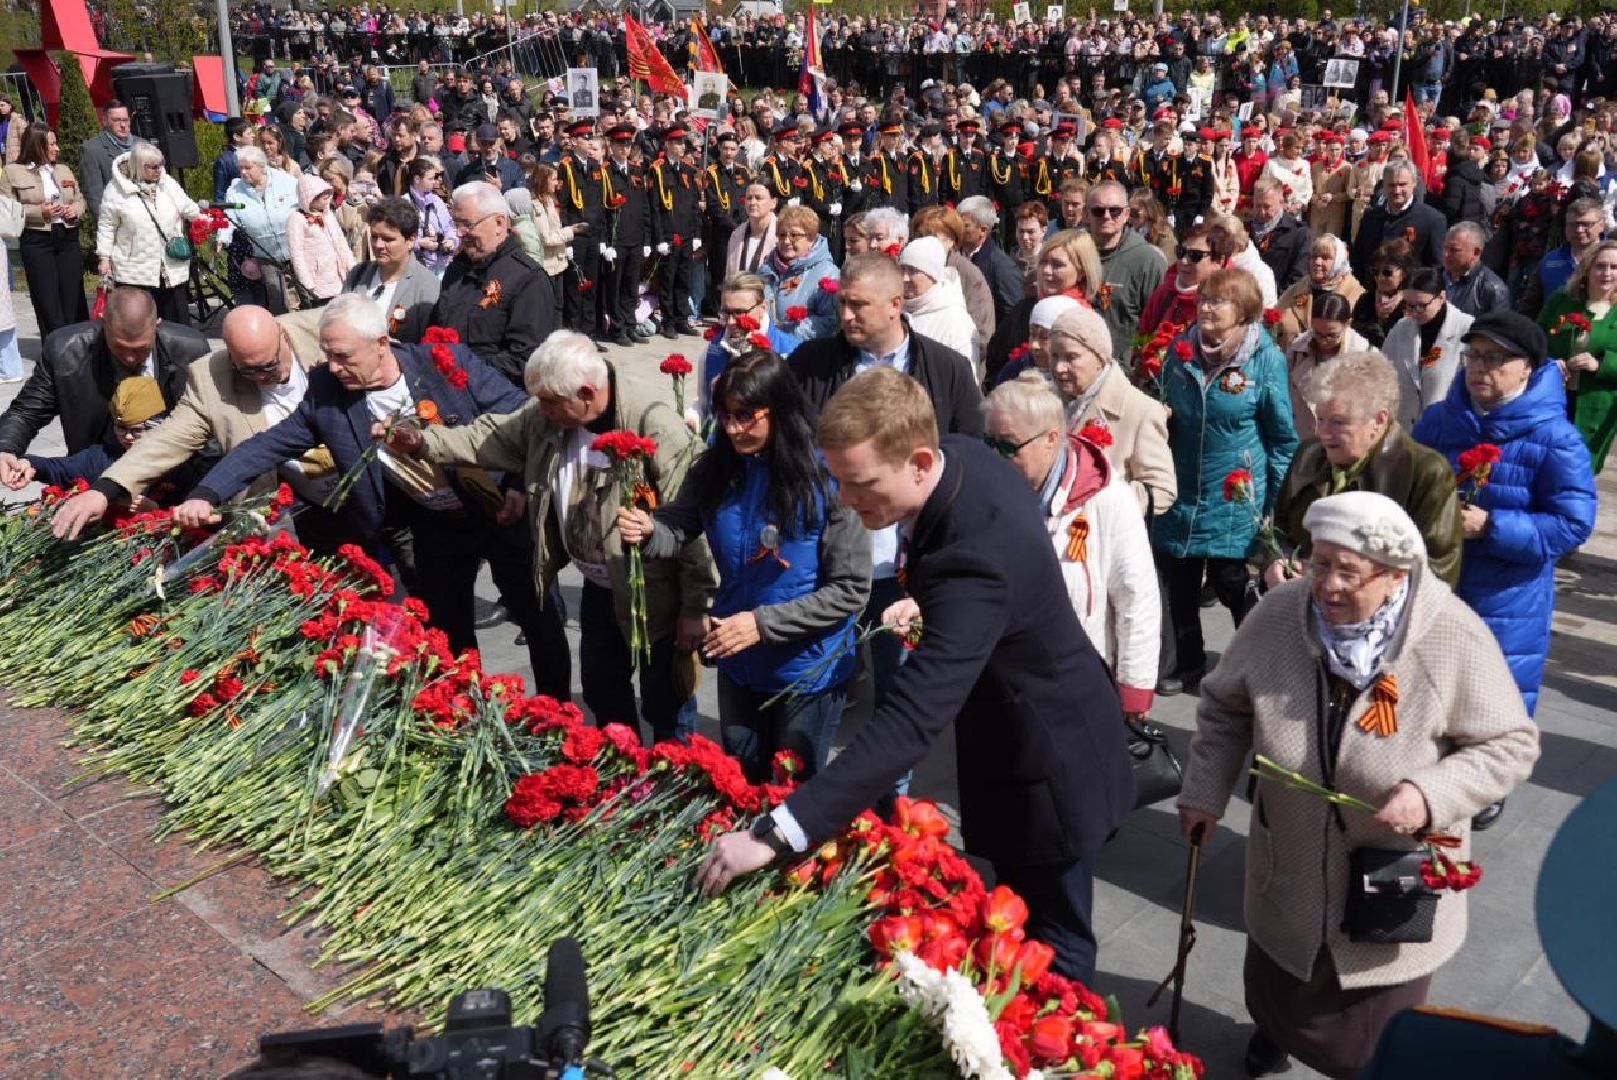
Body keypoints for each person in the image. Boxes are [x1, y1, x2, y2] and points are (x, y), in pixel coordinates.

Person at [694, 366, 1135, 985]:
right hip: (1025, 733)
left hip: (1052, 767)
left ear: (920, 461)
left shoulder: (971, 563)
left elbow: (909, 722)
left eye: (860, 483)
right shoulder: (964, 459)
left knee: (1055, 945)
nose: (846, 500)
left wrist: (777, 834)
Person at [1177, 490, 1539, 1080]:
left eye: (1349, 572)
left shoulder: (1449, 633)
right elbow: (1224, 706)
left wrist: (1431, 795)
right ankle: (1274, 1034)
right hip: (1289, 853)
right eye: (1320, 564)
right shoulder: (1280, 615)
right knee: (1279, 976)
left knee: (1369, 1033)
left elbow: (1510, 744)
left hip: (1390, 873)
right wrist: (1203, 791)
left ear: (1396, 576)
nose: (1328, 585)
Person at [173, 294, 574, 703]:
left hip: (498, 510)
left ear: (381, 344)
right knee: (448, 635)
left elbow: (523, 418)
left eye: (343, 356)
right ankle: (468, 717)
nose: (332, 366)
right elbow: (266, 446)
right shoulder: (329, 391)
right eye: (328, 354)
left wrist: (516, 484)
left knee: (538, 618)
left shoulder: (443, 364)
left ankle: (556, 714)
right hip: (433, 527)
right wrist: (206, 493)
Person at [395, 329, 715, 744]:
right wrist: (422, 442)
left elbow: (694, 527)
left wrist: (695, 608)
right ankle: (623, 775)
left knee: (665, 704)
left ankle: (677, 786)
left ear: (586, 393)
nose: (541, 410)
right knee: (603, 690)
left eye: (550, 402)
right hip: (601, 587)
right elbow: (487, 436)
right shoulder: (547, 416)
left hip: (656, 593)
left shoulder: (653, 424)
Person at [617, 350, 869, 781]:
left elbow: (850, 589)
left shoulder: (828, 478)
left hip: (806, 671)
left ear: (781, 409)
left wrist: (762, 625)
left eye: (747, 416)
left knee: (792, 795)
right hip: (738, 660)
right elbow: (680, 524)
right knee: (740, 782)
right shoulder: (718, 467)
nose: (734, 429)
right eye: (726, 416)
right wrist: (648, 531)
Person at [1413, 311, 1597, 729]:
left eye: (1496, 358)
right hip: (1436, 591)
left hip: (1507, 605)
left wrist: (1492, 527)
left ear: (1528, 368)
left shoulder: (1555, 438)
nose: (1480, 367)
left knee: (1486, 723)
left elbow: (1571, 525)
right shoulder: (1440, 420)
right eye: (1474, 355)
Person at [49, 307, 339, 544]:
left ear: (282, 336)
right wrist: (104, 489)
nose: (262, 377)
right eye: (247, 370)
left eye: (269, 365)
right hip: (288, 504)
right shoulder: (211, 377)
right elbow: (168, 438)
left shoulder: (325, 329)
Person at [1153, 268, 1298, 695]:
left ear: (1245, 314)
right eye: (1204, 301)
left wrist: (1273, 505)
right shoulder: (1181, 350)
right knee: (1179, 584)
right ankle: (1189, 662)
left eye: (1219, 302)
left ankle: (1254, 670)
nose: (1207, 309)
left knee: (1231, 583)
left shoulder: (1263, 358)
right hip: (1182, 487)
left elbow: (1283, 437)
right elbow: (1160, 401)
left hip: (1233, 492)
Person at [984, 371, 1160, 719]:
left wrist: (1133, 692)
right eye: (988, 443)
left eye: (1007, 446)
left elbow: (1137, 599)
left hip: (1080, 683)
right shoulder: (989, 492)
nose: (995, 457)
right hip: (1004, 680)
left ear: (1051, 439)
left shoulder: (1109, 500)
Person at [1271, 351, 1462, 589]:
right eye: (1320, 419)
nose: (1323, 432)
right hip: (1305, 606)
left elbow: (1438, 571)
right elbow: (1278, 529)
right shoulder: (1309, 454)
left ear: (1379, 420)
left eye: (1339, 422)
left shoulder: (1426, 473)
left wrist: (1358, 587)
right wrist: (1277, 562)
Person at [0, 288, 209, 473]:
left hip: (172, 470)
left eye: (140, 349)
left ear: (157, 325)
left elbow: (210, 422)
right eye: (120, 347)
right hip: (96, 468)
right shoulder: (65, 350)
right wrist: (6, 448)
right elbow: (26, 411)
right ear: (103, 323)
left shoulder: (190, 349)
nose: (129, 357)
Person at [1046, 305, 1177, 516]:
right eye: (1054, 356)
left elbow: (1161, 490)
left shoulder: (1140, 410)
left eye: (1071, 358)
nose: (1060, 367)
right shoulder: (1044, 400)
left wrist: (1100, 501)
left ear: (1100, 357)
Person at [3, 375, 204, 502]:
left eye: (136, 431)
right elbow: (61, 468)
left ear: (157, 426)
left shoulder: (178, 464)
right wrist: (28, 463)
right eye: (120, 428)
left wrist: (155, 512)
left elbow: (199, 510)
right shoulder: (102, 456)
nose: (126, 437)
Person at [431, 180, 553, 388]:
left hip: (493, 401)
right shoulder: (458, 269)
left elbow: (524, 360)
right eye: (456, 223)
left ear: (499, 223)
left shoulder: (527, 279)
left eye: (467, 224)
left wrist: (460, 369)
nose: (460, 233)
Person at [93, 143, 203, 327]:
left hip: (170, 267)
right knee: (141, 323)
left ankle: (179, 355)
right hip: (134, 269)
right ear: (138, 167)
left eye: (161, 164)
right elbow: (107, 225)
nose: (159, 170)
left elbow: (189, 208)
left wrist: (210, 221)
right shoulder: (116, 190)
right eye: (153, 167)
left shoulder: (167, 183)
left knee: (177, 323)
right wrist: (104, 257)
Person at [1539, 240, 1617, 471]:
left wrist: (1600, 364)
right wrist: (1553, 363)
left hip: (1596, 408)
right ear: (1587, 269)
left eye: (1614, 268)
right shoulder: (1561, 301)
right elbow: (1536, 341)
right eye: (1600, 266)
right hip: (1553, 399)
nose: (1607, 273)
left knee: (1576, 470)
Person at [4, 126, 89, 337]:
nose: (57, 148)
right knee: (47, 299)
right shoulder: (13, 172)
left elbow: (79, 199)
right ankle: (54, 349)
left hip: (67, 236)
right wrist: (39, 212)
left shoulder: (63, 170)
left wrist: (74, 210)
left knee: (72, 296)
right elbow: (6, 210)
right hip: (37, 240)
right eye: (51, 144)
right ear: (37, 144)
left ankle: (77, 345)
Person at [1383, 267, 1476, 429]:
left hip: (1447, 430)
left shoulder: (1466, 330)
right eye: (1409, 306)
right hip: (1404, 431)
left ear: (1442, 297)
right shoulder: (1401, 328)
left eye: (1421, 306)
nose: (1413, 313)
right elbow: (1383, 373)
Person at [1087, 180, 1168, 365]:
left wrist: (1139, 365)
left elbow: (1159, 324)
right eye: (1098, 211)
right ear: (1087, 214)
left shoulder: (1148, 260)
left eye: (1114, 210)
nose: (1106, 216)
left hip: (1124, 373)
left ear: (1126, 214)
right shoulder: (1075, 253)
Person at [1282, 293, 1379, 441]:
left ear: (1348, 324)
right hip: (1304, 439)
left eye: (1331, 335)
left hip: (1346, 441)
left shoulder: (1366, 356)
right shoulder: (1297, 349)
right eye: (1317, 334)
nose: (1324, 341)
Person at [344, 198, 440, 346]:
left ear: (410, 241)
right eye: (374, 237)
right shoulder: (358, 274)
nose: (378, 245)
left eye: (388, 239)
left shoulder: (427, 286)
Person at [704, 273, 798, 421]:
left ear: (763, 308)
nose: (731, 321)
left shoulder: (788, 352)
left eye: (740, 313)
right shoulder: (715, 347)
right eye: (726, 312)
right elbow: (705, 402)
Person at [911, 204, 996, 356]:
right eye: (919, 236)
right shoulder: (910, 268)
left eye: (932, 237)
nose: (924, 243)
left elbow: (983, 334)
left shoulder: (968, 275)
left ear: (951, 240)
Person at [224, 146, 301, 311]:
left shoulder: (285, 180)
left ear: (261, 166)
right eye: (240, 168)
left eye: (248, 168)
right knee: (278, 298)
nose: (243, 172)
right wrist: (223, 237)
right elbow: (229, 217)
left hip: (296, 247)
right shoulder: (235, 190)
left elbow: (303, 202)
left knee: (305, 292)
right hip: (265, 253)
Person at [1350, 162, 1447, 284]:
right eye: (1391, 185)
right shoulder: (1371, 217)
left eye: (1402, 185)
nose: (1397, 191)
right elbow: (1358, 259)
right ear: (1383, 185)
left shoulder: (1432, 220)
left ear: (1414, 183)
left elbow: (1436, 268)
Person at [758, 205, 839, 343]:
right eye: (782, 235)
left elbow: (830, 320)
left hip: (803, 351)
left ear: (811, 239)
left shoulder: (828, 273)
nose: (786, 241)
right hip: (766, 349)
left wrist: (785, 334)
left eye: (794, 235)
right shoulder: (765, 269)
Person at [898, 237, 978, 377]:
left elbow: (964, 377)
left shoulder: (955, 320)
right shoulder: (896, 310)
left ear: (932, 275)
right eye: (902, 269)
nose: (905, 278)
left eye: (912, 271)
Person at [1139, 221, 1233, 337]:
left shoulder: (1228, 303)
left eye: (1195, 255)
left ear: (1219, 261)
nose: (1184, 261)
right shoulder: (1164, 293)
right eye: (1181, 252)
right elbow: (1142, 337)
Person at [1273, 235, 1364, 353]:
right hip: (1294, 365)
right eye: (1314, 257)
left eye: (1325, 258)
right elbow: (1274, 325)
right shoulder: (1296, 290)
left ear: (1338, 261)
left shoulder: (1356, 295)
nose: (1317, 262)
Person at [287, 173, 357, 306]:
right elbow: (296, 254)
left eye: (327, 198)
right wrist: (307, 282)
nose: (327, 202)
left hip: (338, 274)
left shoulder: (328, 214)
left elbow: (341, 241)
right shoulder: (296, 219)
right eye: (323, 199)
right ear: (310, 198)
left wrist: (352, 267)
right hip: (317, 278)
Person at [958, 195, 1026, 326]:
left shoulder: (1001, 266)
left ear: (982, 230)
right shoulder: (956, 256)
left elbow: (1012, 314)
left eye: (965, 225)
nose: (958, 229)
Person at [78, 100, 145, 219]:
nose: (123, 125)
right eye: (117, 120)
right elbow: (94, 195)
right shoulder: (92, 150)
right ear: (105, 121)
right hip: (118, 222)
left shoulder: (143, 145)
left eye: (125, 120)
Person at [1249, 176, 1312, 294]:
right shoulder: (1246, 230)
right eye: (1257, 206)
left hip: (1279, 301)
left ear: (1281, 203)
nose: (1261, 212)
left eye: (1267, 206)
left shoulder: (1298, 233)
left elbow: (1298, 278)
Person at [1352, 239, 1417, 349]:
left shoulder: (1412, 304)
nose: (1380, 277)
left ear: (1405, 272)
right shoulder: (1366, 300)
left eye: (1387, 272)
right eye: (1375, 272)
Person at [1441, 222, 1510, 318]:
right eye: (1445, 248)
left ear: (1476, 252)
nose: (1446, 254)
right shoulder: (1435, 277)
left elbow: (1497, 330)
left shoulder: (1492, 289)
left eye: (1454, 250)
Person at [405, 157, 457, 277]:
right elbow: (398, 239)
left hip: (441, 265)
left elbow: (450, 228)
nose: (435, 182)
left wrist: (451, 241)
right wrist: (420, 243)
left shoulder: (437, 201)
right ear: (417, 179)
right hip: (416, 266)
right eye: (430, 179)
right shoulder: (404, 204)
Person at [724, 182, 778, 280]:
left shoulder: (782, 235)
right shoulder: (736, 235)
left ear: (773, 203)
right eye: (749, 198)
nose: (752, 203)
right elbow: (729, 277)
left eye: (758, 198)